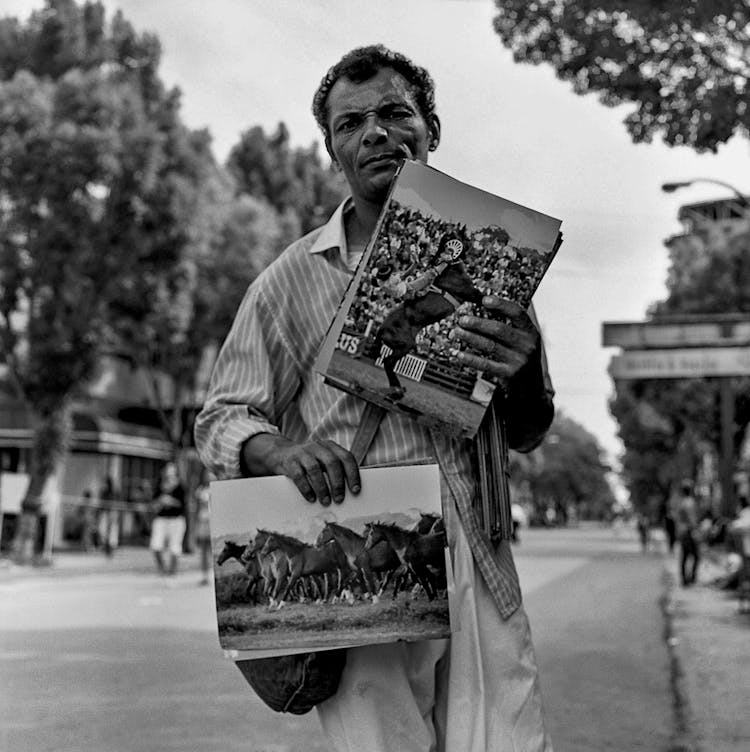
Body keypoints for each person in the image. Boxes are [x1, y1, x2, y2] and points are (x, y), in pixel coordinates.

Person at [195, 45, 555, 752]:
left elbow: (528, 429)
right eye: (351, 123)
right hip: (366, 564)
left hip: (480, 563)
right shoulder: (286, 282)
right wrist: (283, 452)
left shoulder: (496, 261)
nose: (377, 133)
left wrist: (524, 368)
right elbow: (219, 420)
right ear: (333, 150)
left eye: (396, 113)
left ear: (431, 129)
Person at [150, 462, 187, 576]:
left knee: (175, 546)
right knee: (156, 545)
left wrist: (170, 501)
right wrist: (161, 501)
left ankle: (172, 571)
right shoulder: (159, 486)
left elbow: (184, 505)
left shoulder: (180, 487)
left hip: (176, 519)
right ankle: (162, 569)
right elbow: (153, 505)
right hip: (161, 519)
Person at [676, 480, 700, 586]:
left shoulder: (681, 502)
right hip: (688, 532)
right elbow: (692, 520)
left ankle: (684, 579)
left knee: (685, 556)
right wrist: (695, 531)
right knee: (695, 556)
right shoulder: (689, 502)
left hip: (682, 532)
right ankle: (691, 578)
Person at [194, 470, 213, 586]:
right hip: (202, 521)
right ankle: (204, 575)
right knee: (203, 550)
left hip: (212, 521)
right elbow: (195, 508)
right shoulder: (200, 491)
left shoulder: (217, 490)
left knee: (212, 550)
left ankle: (211, 575)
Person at [98, 476, 120, 557]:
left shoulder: (114, 492)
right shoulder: (103, 492)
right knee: (102, 530)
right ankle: (106, 546)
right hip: (105, 513)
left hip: (112, 513)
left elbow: (116, 503)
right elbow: (101, 504)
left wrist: (114, 514)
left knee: (112, 532)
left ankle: (111, 549)